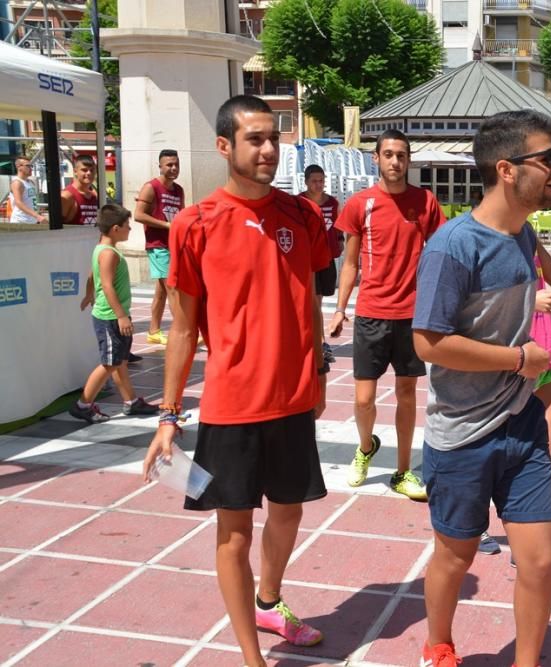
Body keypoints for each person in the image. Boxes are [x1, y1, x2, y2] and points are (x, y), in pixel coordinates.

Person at [141, 95, 331, 667]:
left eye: (273, 138)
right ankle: (252, 657)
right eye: (255, 139)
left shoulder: (301, 215)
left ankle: (269, 601)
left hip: (294, 399)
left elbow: (312, 298)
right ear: (225, 146)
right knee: (234, 532)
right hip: (231, 405)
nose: (269, 149)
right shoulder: (195, 224)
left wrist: (318, 367)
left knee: (291, 510)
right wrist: (169, 415)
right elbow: (182, 330)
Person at [412, 109, 551, 667]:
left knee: (541, 561)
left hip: (520, 424)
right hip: (461, 434)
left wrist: (539, 389)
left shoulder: (523, 235)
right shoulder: (453, 246)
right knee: (456, 556)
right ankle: (438, 645)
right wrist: (519, 357)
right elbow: (429, 342)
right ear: (506, 169)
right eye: (546, 159)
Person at [329, 129, 445, 501]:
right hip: (371, 313)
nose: (396, 161)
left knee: (407, 393)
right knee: (363, 399)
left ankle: (402, 471)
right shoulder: (359, 204)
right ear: (376, 158)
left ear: (409, 160)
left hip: (413, 316)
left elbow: (441, 255)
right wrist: (340, 309)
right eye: (389, 154)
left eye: (402, 155)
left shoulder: (425, 202)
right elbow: (349, 264)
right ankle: (366, 447)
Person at [479, 194, 551, 582]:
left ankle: (527, 547)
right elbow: (479, 300)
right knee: (494, 452)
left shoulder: (528, 234)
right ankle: (479, 526)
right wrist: (529, 299)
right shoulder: (485, 238)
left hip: (545, 352)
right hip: (511, 355)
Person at [69, 204, 159, 424]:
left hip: (109, 315)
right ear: (116, 228)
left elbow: (92, 275)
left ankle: (130, 401)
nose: (130, 229)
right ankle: (83, 405)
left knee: (119, 361)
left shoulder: (101, 248)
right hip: (110, 317)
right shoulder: (109, 253)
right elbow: (107, 286)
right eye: (128, 226)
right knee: (110, 363)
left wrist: (88, 294)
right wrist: (121, 316)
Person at [134, 149, 184, 346]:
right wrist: (166, 225)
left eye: (176, 164)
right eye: (169, 165)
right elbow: (138, 215)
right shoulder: (151, 187)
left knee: (161, 291)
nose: (173, 168)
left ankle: (154, 331)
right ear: (160, 166)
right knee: (173, 288)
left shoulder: (178, 190)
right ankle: (182, 330)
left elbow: (180, 214)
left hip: (173, 244)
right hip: (158, 245)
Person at [299, 164, 342, 364]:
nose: (318, 185)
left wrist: (340, 242)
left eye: (321, 181)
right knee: (313, 302)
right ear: (306, 181)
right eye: (314, 181)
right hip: (306, 259)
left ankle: (317, 340)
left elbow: (338, 226)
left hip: (326, 257)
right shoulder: (299, 203)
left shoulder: (332, 203)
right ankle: (319, 342)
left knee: (319, 300)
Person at [61, 155, 100, 227]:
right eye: (84, 170)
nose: (89, 173)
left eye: (92, 170)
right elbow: (55, 228)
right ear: (75, 171)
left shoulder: (95, 195)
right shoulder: (67, 196)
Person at [8, 157, 46, 224]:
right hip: (20, 221)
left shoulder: (30, 182)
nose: (31, 168)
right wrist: (37, 216)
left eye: (31, 166)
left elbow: (31, 201)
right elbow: (18, 203)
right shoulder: (17, 182)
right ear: (19, 167)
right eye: (28, 166)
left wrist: (38, 214)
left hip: (32, 221)